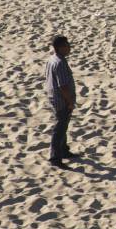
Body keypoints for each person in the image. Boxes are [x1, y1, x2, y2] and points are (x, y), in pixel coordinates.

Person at [44, 35, 78, 169]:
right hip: (61, 100)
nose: (69, 47)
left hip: (54, 97)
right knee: (60, 128)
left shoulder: (52, 59)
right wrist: (70, 101)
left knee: (63, 126)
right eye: (66, 45)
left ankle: (63, 150)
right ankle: (55, 158)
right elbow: (63, 86)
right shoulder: (60, 63)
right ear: (59, 47)